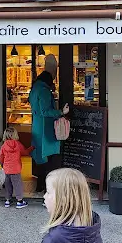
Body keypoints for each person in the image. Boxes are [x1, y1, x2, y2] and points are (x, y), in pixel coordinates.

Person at [30, 54, 69, 192]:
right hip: (46, 129)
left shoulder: (34, 89)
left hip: (37, 127)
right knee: (49, 158)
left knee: (40, 157)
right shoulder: (44, 91)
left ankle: (40, 185)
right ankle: (48, 186)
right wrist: (61, 112)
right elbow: (46, 111)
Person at [0, 125, 33, 209]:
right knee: (18, 185)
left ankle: (7, 201)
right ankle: (19, 201)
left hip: (6, 169)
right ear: (15, 135)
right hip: (16, 169)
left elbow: (0, 157)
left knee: (8, 185)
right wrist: (31, 148)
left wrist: (3, 163)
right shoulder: (18, 144)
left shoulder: (3, 146)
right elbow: (25, 152)